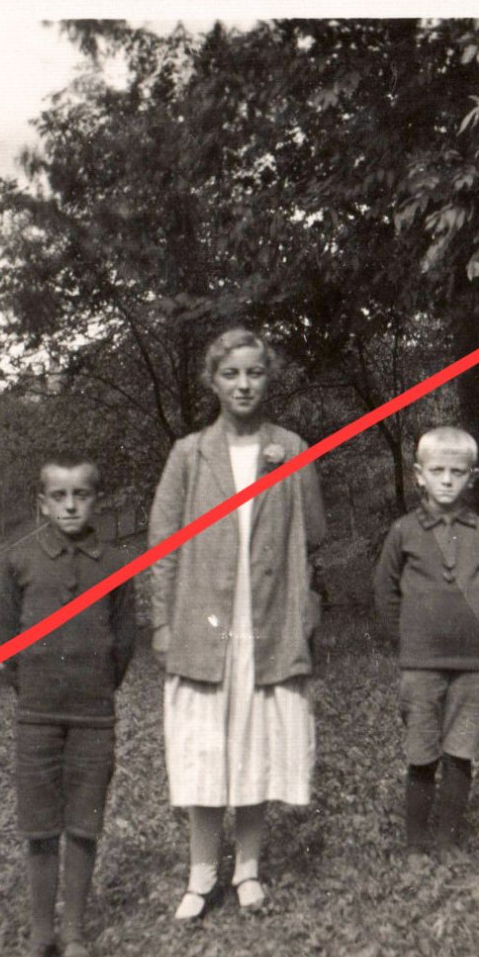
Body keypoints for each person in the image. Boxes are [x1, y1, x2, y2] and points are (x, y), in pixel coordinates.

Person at [148, 328, 325, 920]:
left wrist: (305, 609)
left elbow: (313, 536)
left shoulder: (292, 449)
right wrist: (163, 623)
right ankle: (202, 874)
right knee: (204, 745)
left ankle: (247, 869)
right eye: (232, 375)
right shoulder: (189, 455)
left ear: (268, 379)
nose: (244, 384)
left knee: (256, 742)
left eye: (254, 373)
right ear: (213, 382)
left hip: (267, 621)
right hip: (206, 623)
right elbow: (164, 547)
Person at [0, 454, 137, 957]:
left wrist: (97, 686)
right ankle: (40, 933)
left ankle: (74, 930)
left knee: (84, 821)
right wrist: (34, 691)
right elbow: (7, 641)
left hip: (93, 716)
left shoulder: (115, 565)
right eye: (59, 496)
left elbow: (124, 642)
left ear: (95, 500)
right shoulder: (20, 562)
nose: (71, 505)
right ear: (42, 503)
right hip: (37, 715)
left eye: (81, 495)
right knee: (39, 824)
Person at [373, 426, 479, 857]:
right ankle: (414, 845)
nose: (447, 479)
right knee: (422, 755)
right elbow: (385, 590)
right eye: (438, 471)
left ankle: (446, 842)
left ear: (473, 476)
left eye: (458, 472)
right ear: (419, 476)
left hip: (474, 668)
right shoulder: (404, 532)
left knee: (460, 754)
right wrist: (406, 641)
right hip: (422, 667)